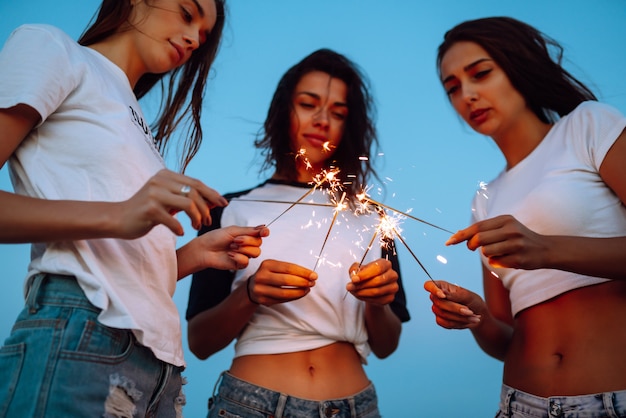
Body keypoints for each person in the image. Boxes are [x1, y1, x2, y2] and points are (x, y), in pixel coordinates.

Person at [0, 1, 270, 417]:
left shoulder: (137, 125)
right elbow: (114, 227)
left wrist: (194, 257)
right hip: (83, 337)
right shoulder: (52, 49)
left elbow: (118, 261)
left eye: (203, 34)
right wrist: (120, 214)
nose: (195, 38)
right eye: (187, 13)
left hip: (160, 372)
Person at [186, 48, 411, 418]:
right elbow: (200, 342)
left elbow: (387, 346)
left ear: (348, 127)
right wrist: (250, 294)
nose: (322, 120)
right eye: (308, 104)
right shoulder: (230, 210)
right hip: (251, 405)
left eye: (338, 113)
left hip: (355, 407)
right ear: (282, 112)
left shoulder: (374, 219)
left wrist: (377, 301)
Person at [424, 16, 626, 418]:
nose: (468, 95)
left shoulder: (588, 126)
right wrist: (476, 316)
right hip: (520, 406)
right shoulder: (485, 200)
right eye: (453, 88)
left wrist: (546, 249)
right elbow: (505, 339)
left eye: (480, 74)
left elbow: (544, 251)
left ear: (517, 65)